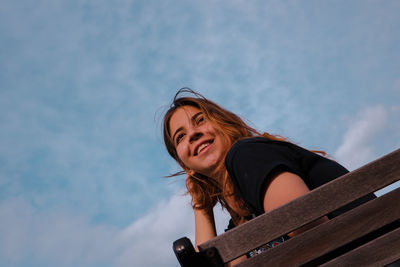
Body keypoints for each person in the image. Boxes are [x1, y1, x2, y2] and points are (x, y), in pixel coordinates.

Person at [162, 88, 376, 265]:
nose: (192, 134)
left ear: (224, 123)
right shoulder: (241, 225)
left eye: (200, 121)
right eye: (180, 137)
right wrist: (202, 207)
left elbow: (309, 231)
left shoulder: (246, 154)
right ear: (185, 165)